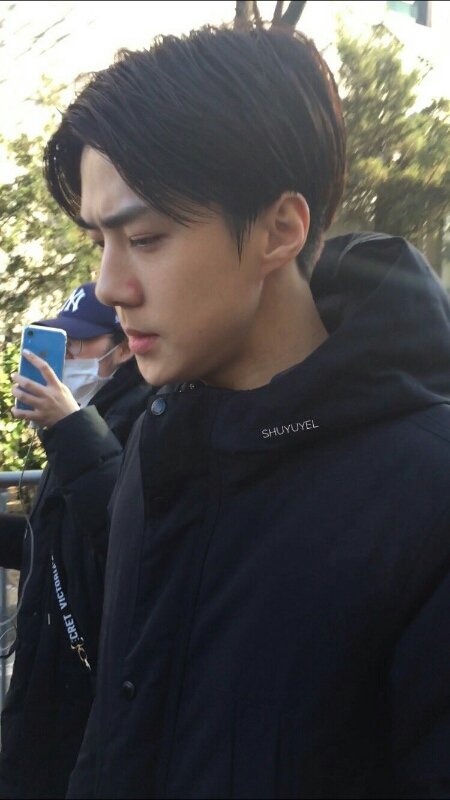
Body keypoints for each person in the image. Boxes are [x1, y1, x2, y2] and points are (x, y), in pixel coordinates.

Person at [44, 25, 450, 800]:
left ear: (280, 230)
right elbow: (113, 739)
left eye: (145, 237)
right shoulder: (156, 446)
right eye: (99, 240)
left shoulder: (428, 499)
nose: (108, 286)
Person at [0, 283, 153, 799]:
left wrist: (70, 429)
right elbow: (53, 544)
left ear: (123, 347)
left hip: (87, 695)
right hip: (47, 680)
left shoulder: (144, 419)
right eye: (56, 344)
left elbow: (128, 538)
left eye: (75, 346)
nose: (62, 360)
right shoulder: (82, 421)